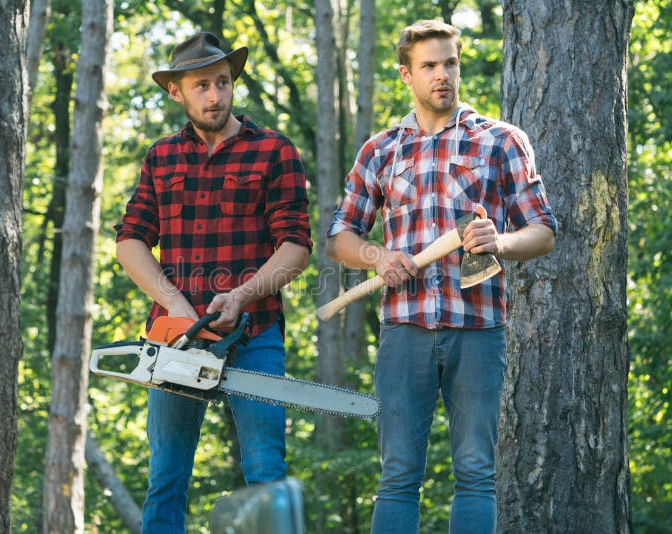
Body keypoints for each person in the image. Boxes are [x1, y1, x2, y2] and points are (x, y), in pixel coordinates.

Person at [325, 20, 557, 534]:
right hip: (403, 331)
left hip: (478, 330)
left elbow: (543, 231)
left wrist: (501, 242)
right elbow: (340, 237)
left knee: (476, 473)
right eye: (429, 65)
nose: (442, 75)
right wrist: (377, 255)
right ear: (406, 74)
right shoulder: (381, 150)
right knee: (398, 475)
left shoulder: (500, 141)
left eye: (450, 63)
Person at [114, 31, 312, 533]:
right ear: (177, 91)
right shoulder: (161, 158)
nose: (215, 95)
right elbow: (130, 241)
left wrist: (242, 295)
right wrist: (175, 304)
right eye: (202, 85)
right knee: (166, 478)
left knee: (266, 474)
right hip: (177, 338)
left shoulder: (273, 151)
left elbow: (296, 246)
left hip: (254, 334)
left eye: (222, 83)